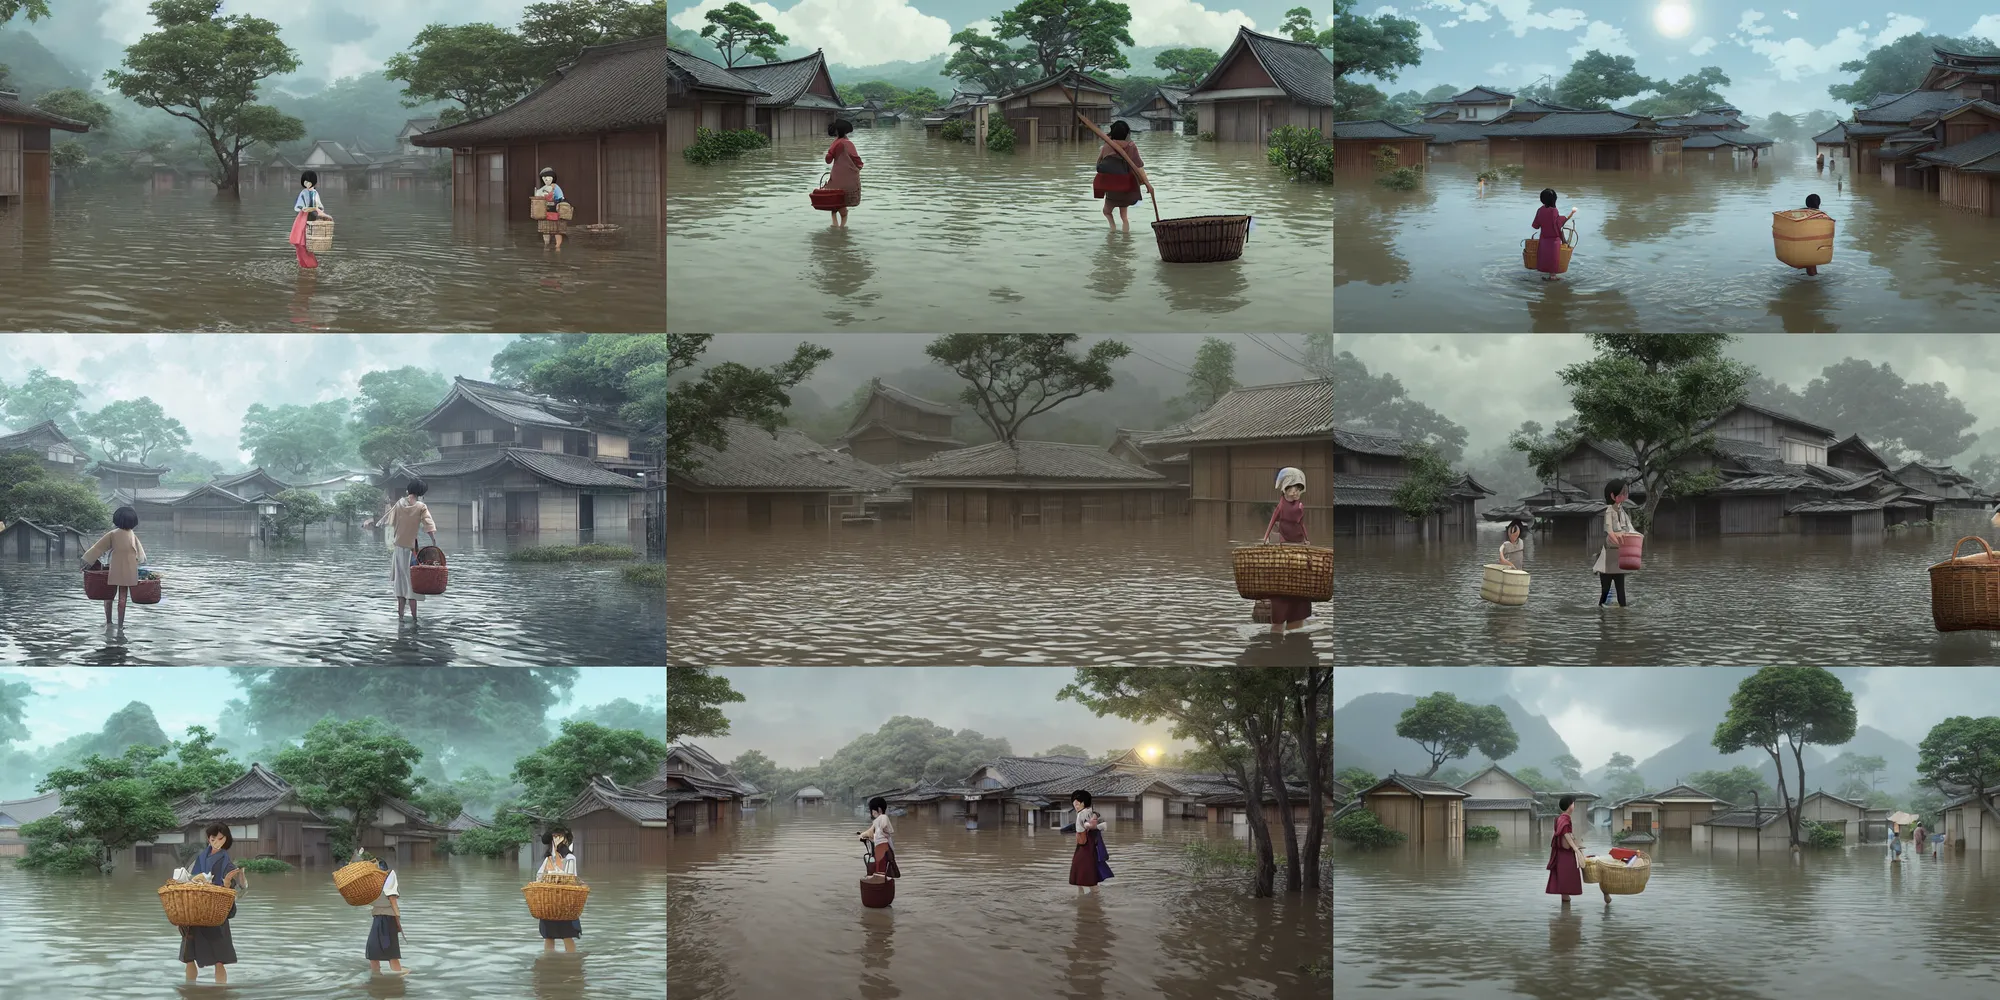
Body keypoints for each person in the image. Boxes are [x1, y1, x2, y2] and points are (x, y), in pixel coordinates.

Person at [363, 480, 437, 622]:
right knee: (412, 583)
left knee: (400, 582)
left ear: (408, 490)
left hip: (398, 549)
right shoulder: (421, 506)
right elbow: (428, 525)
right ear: (420, 493)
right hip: (411, 550)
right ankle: (415, 619)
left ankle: (401, 616)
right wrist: (434, 541)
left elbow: (390, 522)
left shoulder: (399, 504)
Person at [179, 823, 245, 984]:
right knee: (189, 956)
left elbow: (239, 890)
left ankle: (221, 991)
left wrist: (228, 882)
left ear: (226, 840)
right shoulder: (199, 859)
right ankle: (190, 990)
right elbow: (187, 878)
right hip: (195, 909)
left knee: (219, 958)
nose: (216, 841)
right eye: (213, 838)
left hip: (215, 911)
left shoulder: (228, 864)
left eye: (220, 838)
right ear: (208, 839)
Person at [1265, 468, 1316, 634]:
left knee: (1298, 614)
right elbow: (1273, 522)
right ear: (1285, 489)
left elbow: (1302, 525)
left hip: (1299, 550)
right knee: (1279, 618)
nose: (1295, 492)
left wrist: (1306, 542)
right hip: (1284, 557)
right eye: (1292, 488)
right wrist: (1266, 538)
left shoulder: (1300, 507)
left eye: (1297, 489)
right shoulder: (1280, 509)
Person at [81, 505, 147, 629]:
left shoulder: (113, 534)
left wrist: (86, 562)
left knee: (108, 595)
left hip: (115, 567)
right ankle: (121, 625)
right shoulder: (132, 534)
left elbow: (97, 549)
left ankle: (109, 622)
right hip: (129, 568)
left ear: (117, 519)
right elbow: (140, 553)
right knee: (123, 597)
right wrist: (140, 563)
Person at [1092, 120, 1152, 232]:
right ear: (1127, 134)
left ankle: (1113, 229)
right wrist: (1147, 184)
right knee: (1124, 217)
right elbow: (1139, 167)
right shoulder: (1131, 146)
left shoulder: (1106, 146)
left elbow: (1099, 163)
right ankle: (1125, 238)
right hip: (1126, 186)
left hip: (1113, 187)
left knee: (1107, 211)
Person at [1592, 479, 1637, 608]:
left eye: (1626, 493)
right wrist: (1621, 542)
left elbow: (1630, 528)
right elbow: (1610, 532)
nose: (1625, 496)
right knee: (1605, 591)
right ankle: (1601, 615)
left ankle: (1623, 617)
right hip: (1608, 557)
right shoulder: (1609, 512)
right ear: (1613, 495)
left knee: (1621, 593)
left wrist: (1635, 539)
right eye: (1622, 493)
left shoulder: (1623, 511)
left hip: (1619, 556)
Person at [538, 829, 581, 952]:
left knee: (567, 935)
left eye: (560, 836)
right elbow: (539, 876)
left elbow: (569, 878)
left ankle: (571, 962)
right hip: (549, 902)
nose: (556, 839)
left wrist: (555, 876)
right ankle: (549, 962)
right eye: (554, 836)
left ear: (565, 840)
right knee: (548, 936)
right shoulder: (548, 859)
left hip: (565, 902)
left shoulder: (570, 858)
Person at [1062, 790, 1113, 893]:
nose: (1076, 806)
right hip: (1085, 846)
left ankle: (1092, 899)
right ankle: (1088, 899)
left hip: (1086, 848)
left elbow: (1088, 824)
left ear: (1084, 803)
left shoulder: (1084, 813)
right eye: (1075, 803)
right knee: (1084, 874)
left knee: (1087, 874)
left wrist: (1090, 825)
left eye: (1078, 803)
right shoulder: (1088, 813)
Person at [364, 856, 406, 975]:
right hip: (378, 918)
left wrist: (397, 920)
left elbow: (393, 901)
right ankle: (376, 976)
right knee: (373, 951)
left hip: (387, 918)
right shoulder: (372, 885)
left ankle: (400, 975)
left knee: (391, 952)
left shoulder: (389, 879)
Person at [1545, 794, 1585, 905]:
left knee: (1564, 882)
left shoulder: (1560, 818)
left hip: (1561, 853)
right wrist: (1576, 849)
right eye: (1573, 803)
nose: (1574, 805)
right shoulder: (1564, 819)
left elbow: (1568, 835)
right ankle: (1566, 911)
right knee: (1567, 879)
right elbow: (1566, 834)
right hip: (1565, 854)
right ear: (1570, 806)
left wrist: (1577, 845)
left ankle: (1565, 914)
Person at [290, 170, 332, 269]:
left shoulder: (315, 193)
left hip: (313, 216)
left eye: (308, 181)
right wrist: (304, 208)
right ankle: (304, 265)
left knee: (309, 244)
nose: (307, 184)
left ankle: (311, 265)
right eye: (305, 182)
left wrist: (317, 210)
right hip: (303, 216)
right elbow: (297, 206)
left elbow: (320, 206)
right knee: (300, 243)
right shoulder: (303, 193)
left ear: (313, 182)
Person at [824, 119, 863, 227]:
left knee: (834, 200)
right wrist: (856, 170)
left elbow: (828, 160)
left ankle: (835, 225)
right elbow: (858, 161)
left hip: (836, 175)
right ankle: (842, 228)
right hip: (849, 175)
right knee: (843, 200)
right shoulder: (848, 143)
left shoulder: (835, 143)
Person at [857, 796, 901, 880]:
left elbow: (883, 828)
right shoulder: (877, 821)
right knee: (876, 867)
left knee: (879, 869)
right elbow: (869, 832)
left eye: (872, 810)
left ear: (879, 809)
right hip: (880, 848)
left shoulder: (883, 818)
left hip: (883, 848)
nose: (871, 813)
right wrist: (862, 835)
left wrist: (879, 832)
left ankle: (878, 880)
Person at [1532, 188, 1568, 281]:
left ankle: (1549, 277)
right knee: (1554, 260)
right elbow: (1557, 225)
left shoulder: (1540, 210)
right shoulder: (1554, 210)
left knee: (1546, 258)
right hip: (1554, 240)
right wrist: (1563, 218)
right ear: (1554, 199)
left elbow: (1536, 225)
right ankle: (1553, 277)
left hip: (1544, 239)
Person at [533, 167, 567, 249]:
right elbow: (537, 196)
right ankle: (546, 244)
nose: (546, 179)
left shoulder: (555, 187)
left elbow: (561, 198)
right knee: (546, 229)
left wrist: (559, 204)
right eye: (544, 178)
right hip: (545, 211)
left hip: (555, 210)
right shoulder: (543, 188)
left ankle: (557, 246)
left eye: (548, 177)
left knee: (556, 230)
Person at [1800, 193, 1829, 276]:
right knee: (1812, 263)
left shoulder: (1800, 212)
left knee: (1809, 263)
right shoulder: (1822, 214)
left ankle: (1810, 279)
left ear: (1806, 203)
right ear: (1819, 203)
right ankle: (1812, 280)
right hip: (1816, 242)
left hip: (1801, 241)